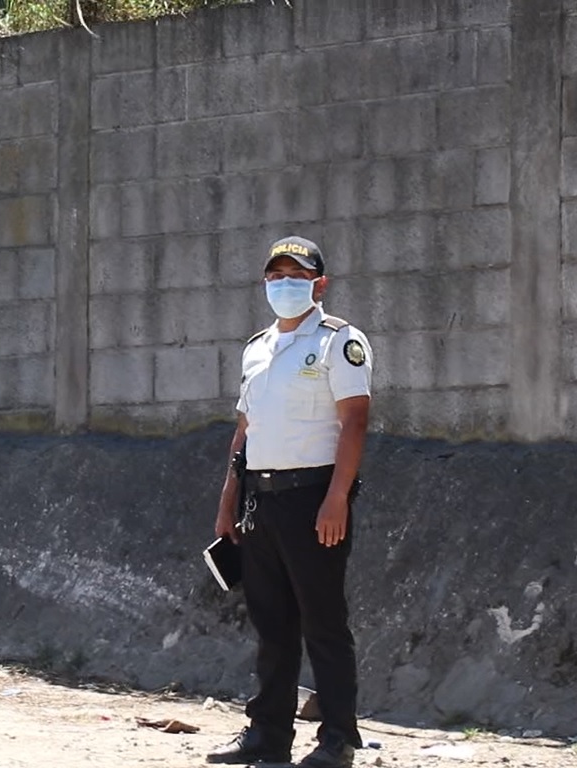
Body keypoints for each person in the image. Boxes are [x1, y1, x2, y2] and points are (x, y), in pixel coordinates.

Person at [209, 236, 372, 768]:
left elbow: (354, 422)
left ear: (318, 285)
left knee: (323, 621)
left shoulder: (338, 341)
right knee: (271, 624)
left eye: (296, 276)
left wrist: (337, 498)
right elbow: (245, 430)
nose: (284, 284)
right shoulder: (256, 347)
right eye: (276, 275)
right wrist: (228, 500)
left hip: (313, 498)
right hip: (262, 499)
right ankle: (268, 735)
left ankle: (338, 739)